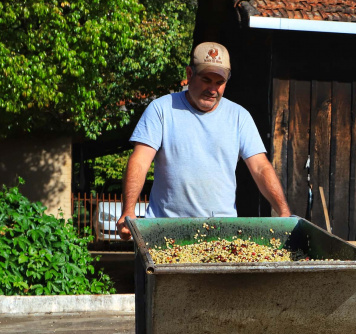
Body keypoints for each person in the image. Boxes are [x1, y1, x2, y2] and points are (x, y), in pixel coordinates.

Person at [116, 42, 291, 239]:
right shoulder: (161, 109)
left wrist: (283, 211)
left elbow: (260, 167)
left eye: (219, 82)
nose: (213, 89)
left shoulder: (239, 117)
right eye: (206, 80)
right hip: (165, 231)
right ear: (189, 74)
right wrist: (128, 210)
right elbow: (140, 160)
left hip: (222, 234)